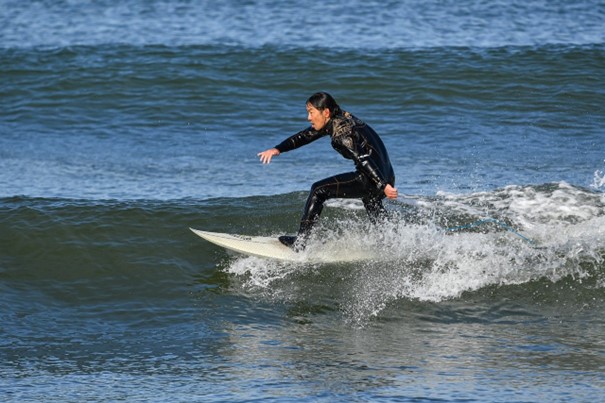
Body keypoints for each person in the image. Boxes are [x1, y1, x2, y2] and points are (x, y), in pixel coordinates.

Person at [258, 92, 398, 250]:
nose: (308, 118)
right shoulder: (340, 118)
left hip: (374, 177)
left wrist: (382, 185)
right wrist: (278, 149)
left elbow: (363, 158)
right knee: (371, 200)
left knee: (318, 190)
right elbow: (305, 135)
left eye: (311, 112)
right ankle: (392, 240)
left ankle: (301, 242)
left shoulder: (341, 134)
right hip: (387, 173)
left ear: (326, 112)